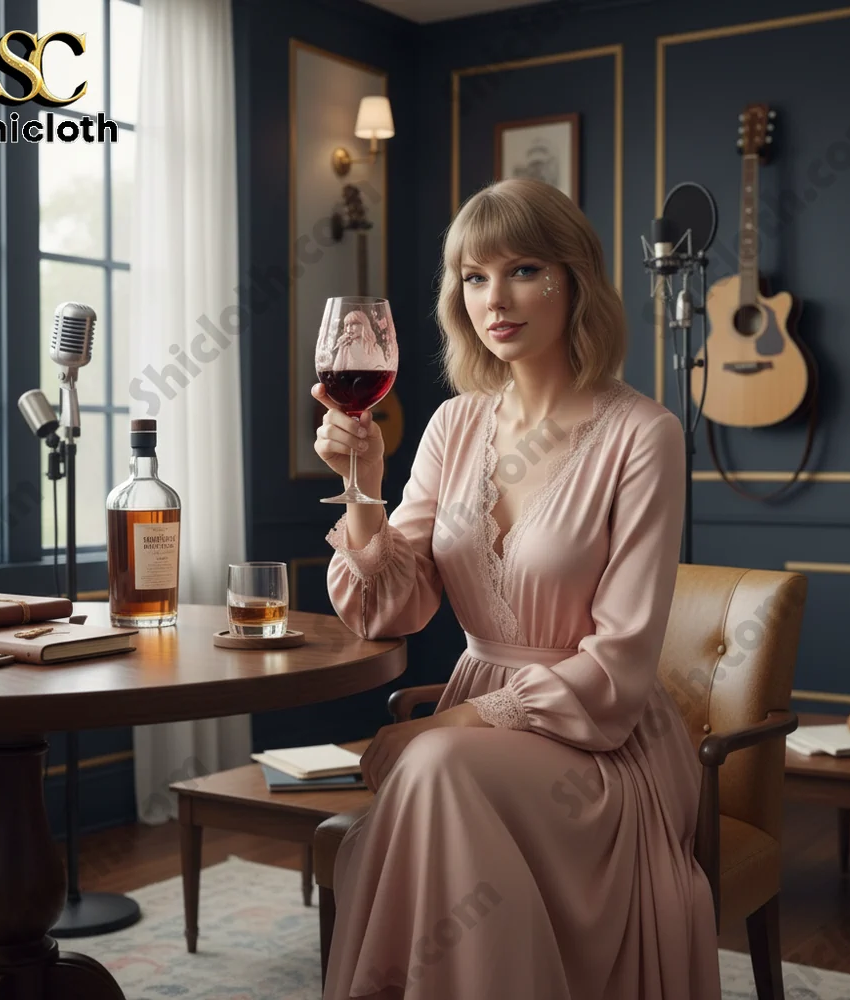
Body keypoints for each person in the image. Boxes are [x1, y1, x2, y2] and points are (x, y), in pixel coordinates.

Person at [310, 177, 721, 999]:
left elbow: (620, 666)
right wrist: (362, 487)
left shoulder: (646, 435)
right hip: (472, 728)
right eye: (472, 276)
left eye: (523, 269)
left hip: (601, 745)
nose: (494, 298)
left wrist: (449, 723)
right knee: (444, 772)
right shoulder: (453, 424)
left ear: (575, 279)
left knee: (436, 770)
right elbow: (396, 605)